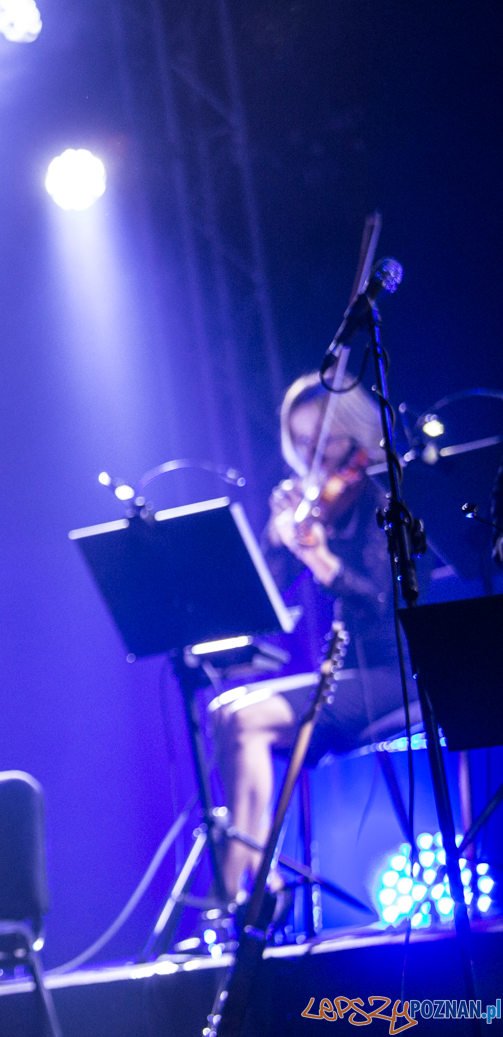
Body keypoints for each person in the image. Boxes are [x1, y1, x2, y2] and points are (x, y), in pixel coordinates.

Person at [211, 372, 414, 901]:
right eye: (302, 445)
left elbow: (386, 605)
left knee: (248, 718)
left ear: (355, 433)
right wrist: (279, 543)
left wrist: (323, 561)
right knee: (224, 711)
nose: (316, 458)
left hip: (400, 672)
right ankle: (256, 877)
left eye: (326, 441)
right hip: (351, 674)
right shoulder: (320, 507)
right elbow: (266, 601)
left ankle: (241, 884)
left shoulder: (381, 495)